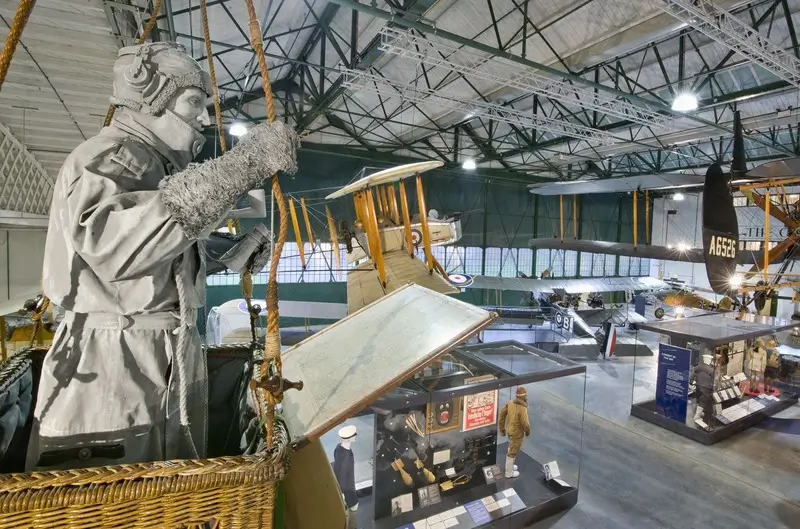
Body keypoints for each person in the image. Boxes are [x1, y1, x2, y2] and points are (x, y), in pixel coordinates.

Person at [25, 41, 299, 470]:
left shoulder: (151, 164)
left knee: (165, 483)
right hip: (114, 362)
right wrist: (241, 167)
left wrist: (230, 256)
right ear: (149, 97)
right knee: (119, 490)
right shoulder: (110, 158)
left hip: (154, 352)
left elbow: (156, 259)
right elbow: (114, 249)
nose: (204, 118)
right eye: (193, 102)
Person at [499, 386, 530, 478]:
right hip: (517, 433)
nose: (526, 397)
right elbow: (525, 423)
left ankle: (510, 466)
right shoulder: (523, 408)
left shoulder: (510, 403)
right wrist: (528, 431)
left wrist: (502, 429)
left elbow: (502, 414)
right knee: (512, 452)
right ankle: (508, 473)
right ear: (523, 396)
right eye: (525, 395)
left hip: (510, 430)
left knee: (511, 447)